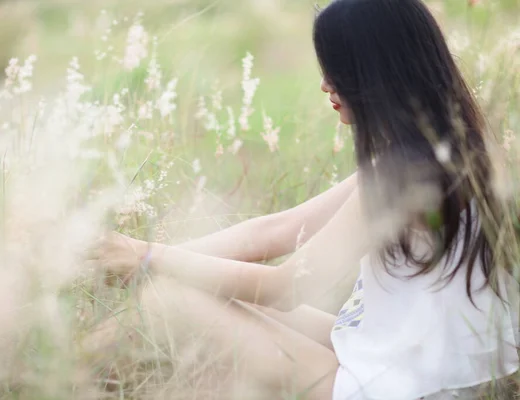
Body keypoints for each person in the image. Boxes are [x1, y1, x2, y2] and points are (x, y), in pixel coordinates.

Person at [87, 0, 519, 398]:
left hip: (393, 388)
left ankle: (74, 374)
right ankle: (80, 366)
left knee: (169, 298)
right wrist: (134, 257)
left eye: (339, 69)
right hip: (408, 369)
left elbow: (284, 287)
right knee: (181, 288)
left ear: (378, 71)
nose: (324, 84)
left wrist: (148, 258)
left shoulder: (404, 173)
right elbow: (276, 230)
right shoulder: (454, 148)